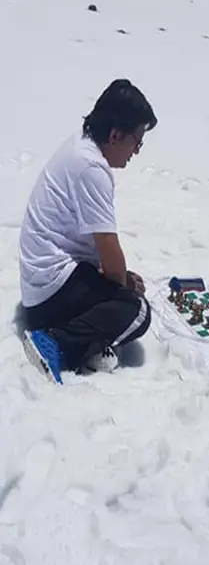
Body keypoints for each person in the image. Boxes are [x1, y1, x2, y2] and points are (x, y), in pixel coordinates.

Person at [19, 79, 157, 384]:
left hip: (43, 283)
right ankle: (56, 342)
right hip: (48, 296)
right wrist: (120, 290)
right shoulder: (91, 168)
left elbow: (95, 250)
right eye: (137, 141)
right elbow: (108, 246)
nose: (136, 151)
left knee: (121, 288)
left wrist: (117, 279)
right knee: (137, 312)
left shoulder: (80, 146)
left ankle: (83, 341)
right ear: (115, 134)